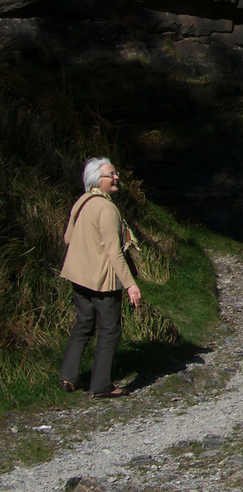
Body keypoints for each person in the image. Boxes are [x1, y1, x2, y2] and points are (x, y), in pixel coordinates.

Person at [59, 158, 142, 398]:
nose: (116, 177)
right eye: (111, 174)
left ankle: (68, 376)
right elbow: (114, 251)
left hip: (78, 276)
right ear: (98, 180)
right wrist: (131, 285)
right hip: (102, 281)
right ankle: (101, 385)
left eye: (115, 173)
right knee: (109, 330)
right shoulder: (107, 208)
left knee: (83, 325)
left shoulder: (81, 202)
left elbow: (68, 238)